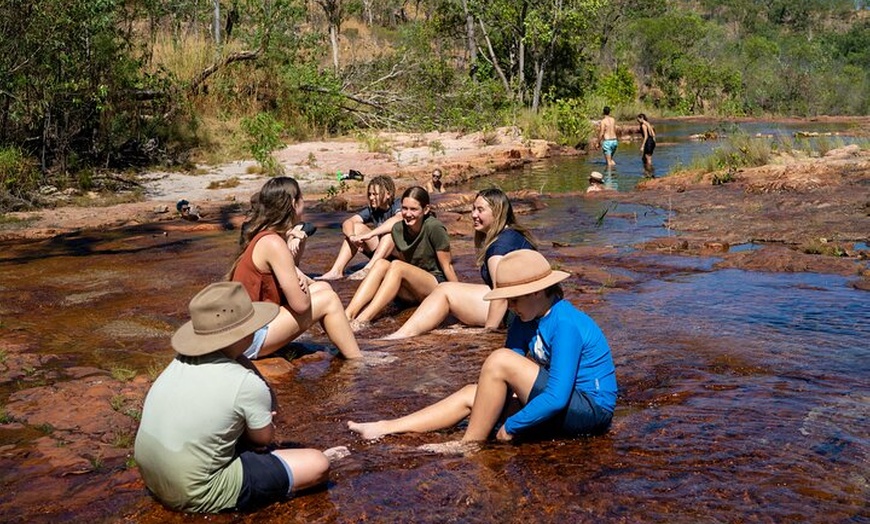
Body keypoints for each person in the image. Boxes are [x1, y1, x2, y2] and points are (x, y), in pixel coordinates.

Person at [348, 250, 617, 445]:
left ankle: (469, 445)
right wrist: (494, 404)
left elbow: (557, 396)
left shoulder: (565, 322)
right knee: (472, 395)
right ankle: (385, 428)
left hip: (590, 411)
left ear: (537, 292)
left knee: (499, 360)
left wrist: (512, 426)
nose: (509, 307)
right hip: (564, 405)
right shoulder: (524, 320)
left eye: (513, 300)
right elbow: (503, 379)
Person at [135, 282, 330, 513]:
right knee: (318, 464)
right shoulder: (246, 383)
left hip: (152, 475)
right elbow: (263, 440)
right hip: (197, 490)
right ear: (244, 333)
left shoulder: (181, 360)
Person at [230, 176, 362, 359]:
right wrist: (301, 282)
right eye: (302, 198)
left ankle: (342, 344)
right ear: (293, 203)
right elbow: (301, 305)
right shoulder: (274, 243)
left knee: (323, 287)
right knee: (329, 299)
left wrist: (300, 277)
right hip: (249, 338)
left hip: (244, 331)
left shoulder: (265, 235)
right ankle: (357, 360)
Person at [383, 188, 536, 340]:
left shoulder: (498, 249)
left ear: (497, 213)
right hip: (529, 306)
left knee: (445, 291)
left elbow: (500, 295)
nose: (474, 215)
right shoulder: (514, 234)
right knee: (447, 296)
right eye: (473, 209)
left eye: (480, 210)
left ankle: (400, 336)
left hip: (516, 314)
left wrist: (488, 331)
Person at [344, 186, 458, 330]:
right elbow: (393, 229)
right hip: (411, 288)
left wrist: (459, 298)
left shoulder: (434, 228)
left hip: (435, 284)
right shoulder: (398, 229)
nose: (408, 214)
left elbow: (447, 266)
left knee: (397, 265)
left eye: (413, 209)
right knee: (380, 264)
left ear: (426, 209)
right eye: (404, 208)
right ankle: (348, 314)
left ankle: (363, 319)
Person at [318, 175, 402, 281]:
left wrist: (371, 234)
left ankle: (368, 269)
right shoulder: (372, 210)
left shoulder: (398, 204)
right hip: (381, 253)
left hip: (400, 254)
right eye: (370, 194)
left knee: (390, 233)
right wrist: (352, 237)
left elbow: (398, 219)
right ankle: (336, 271)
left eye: (375, 194)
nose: (371, 198)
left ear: (388, 194)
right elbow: (348, 222)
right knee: (356, 228)